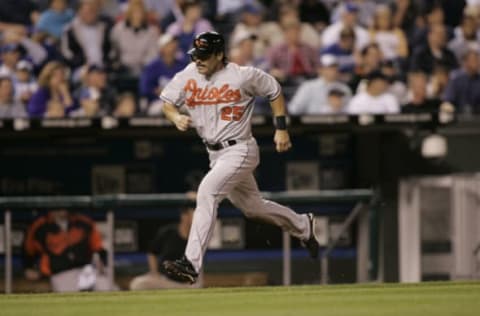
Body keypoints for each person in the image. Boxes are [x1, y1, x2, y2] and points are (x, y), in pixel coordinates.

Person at [159, 31, 319, 284]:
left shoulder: (242, 76)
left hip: (240, 149)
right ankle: (303, 225)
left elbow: (274, 90)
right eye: (196, 55)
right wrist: (175, 116)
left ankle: (190, 263)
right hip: (215, 154)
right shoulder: (188, 74)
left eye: (204, 56)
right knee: (253, 209)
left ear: (219, 55)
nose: (198, 60)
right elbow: (167, 102)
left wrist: (281, 128)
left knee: (207, 192)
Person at [23, 209, 112, 292]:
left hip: (86, 269)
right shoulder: (40, 225)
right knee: (71, 297)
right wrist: (28, 267)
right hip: (60, 272)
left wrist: (103, 263)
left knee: (107, 288)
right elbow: (28, 249)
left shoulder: (83, 222)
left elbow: (99, 248)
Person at [130, 205, 200, 290]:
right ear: (184, 216)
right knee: (137, 284)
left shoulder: (197, 237)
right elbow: (152, 252)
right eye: (193, 214)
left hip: (188, 284)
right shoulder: (169, 232)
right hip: (165, 281)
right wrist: (155, 273)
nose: (196, 218)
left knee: (197, 286)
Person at [443, 50, 480, 114]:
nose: (478, 63)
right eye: (475, 60)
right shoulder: (456, 79)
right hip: (458, 116)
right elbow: (447, 101)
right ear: (466, 62)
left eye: (478, 60)